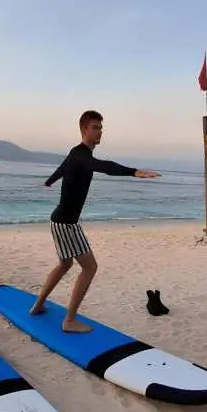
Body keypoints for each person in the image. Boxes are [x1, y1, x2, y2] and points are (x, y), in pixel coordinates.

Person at [30, 109, 160, 332]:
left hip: (60, 221)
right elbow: (103, 166)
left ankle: (38, 306)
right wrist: (133, 172)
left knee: (65, 264)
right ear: (84, 130)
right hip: (66, 224)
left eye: (101, 127)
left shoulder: (76, 154)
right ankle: (69, 321)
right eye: (95, 127)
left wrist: (49, 182)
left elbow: (62, 168)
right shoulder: (81, 155)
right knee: (90, 268)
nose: (100, 131)